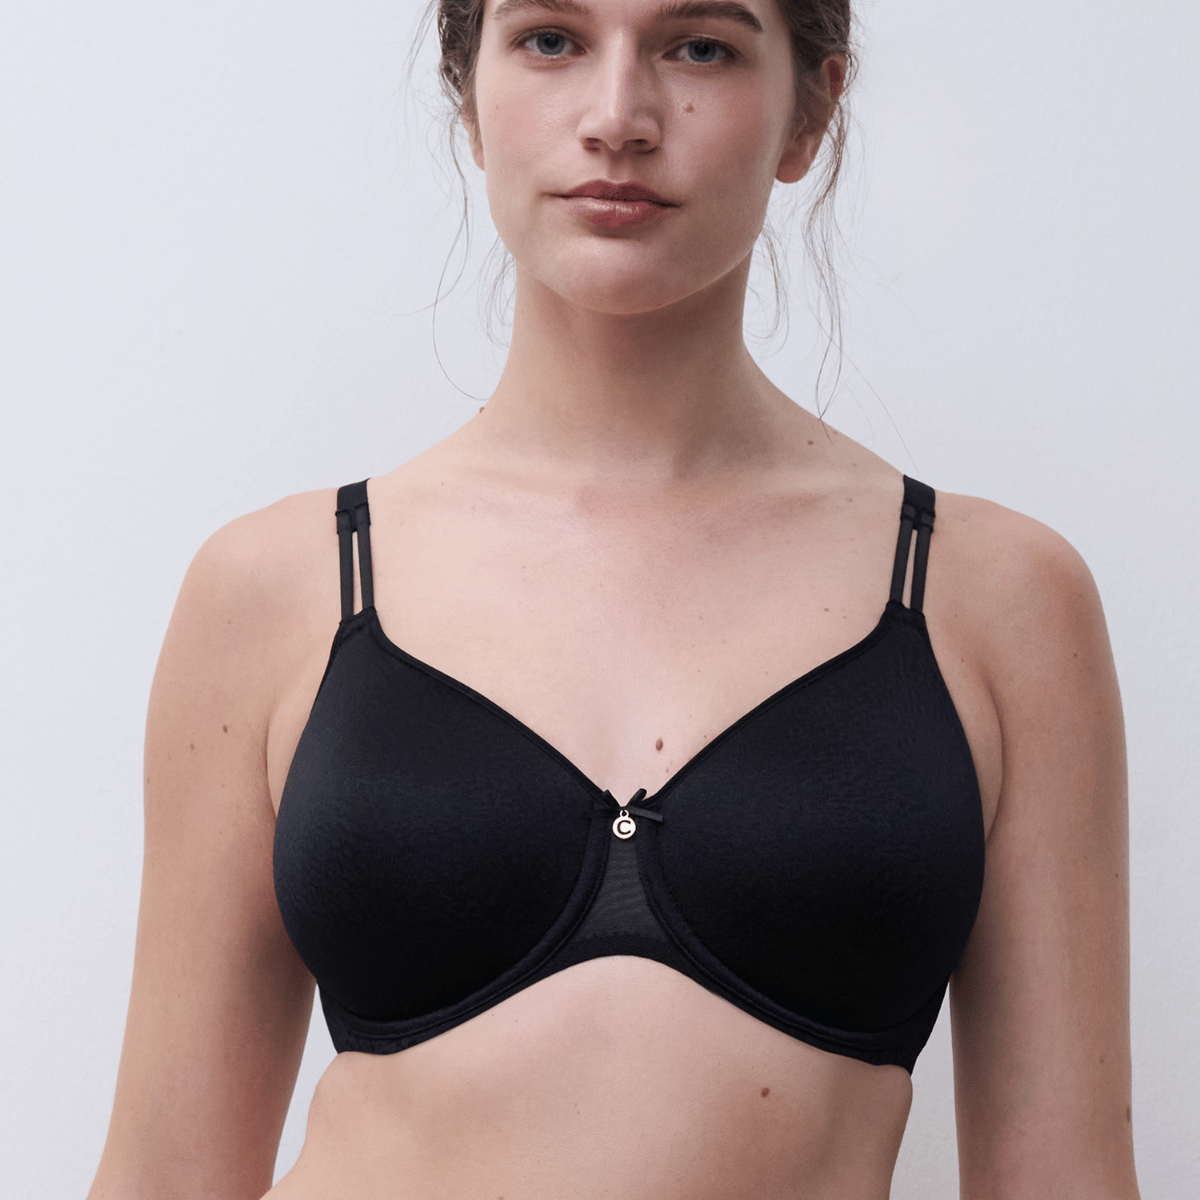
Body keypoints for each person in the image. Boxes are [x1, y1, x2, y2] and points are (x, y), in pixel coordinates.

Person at [87, 0, 1142, 1197]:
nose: (618, 118)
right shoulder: (276, 590)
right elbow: (165, 1171)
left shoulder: (996, 601)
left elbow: (1066, 1177)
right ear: (469, 95)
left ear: (811, 112)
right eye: (551, 39)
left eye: (700, 46)